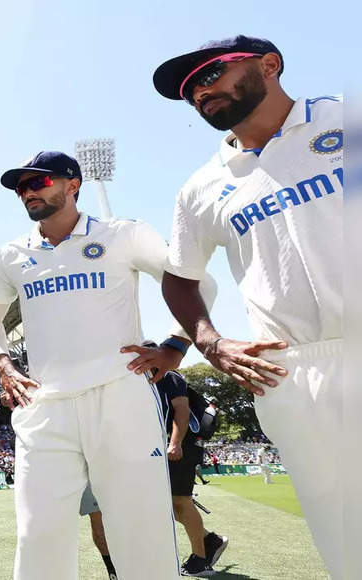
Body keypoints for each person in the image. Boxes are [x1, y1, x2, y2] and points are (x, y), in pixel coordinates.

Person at [154, 35, 345, 579]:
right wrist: (211, 344)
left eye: (211, 73)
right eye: (190, 90)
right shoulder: (201, 187)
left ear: (269, 65)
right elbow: (179, 282)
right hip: (292, 373)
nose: (199, 91)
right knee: (345, 543)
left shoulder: (346, 117)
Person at [0, 150, 216, 579]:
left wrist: (176, 347)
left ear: (73, 185)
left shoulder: (122, 235)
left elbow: (197, 282)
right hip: (44, 405)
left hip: (119, 396)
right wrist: (2, 363)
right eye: (21, 187)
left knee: (140, 530)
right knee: (38, 534)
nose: (28, 191)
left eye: (39, 182)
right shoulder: (11, 254)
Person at [144, 343, 228, 577]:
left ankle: (201, 561)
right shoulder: (142, 381)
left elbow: (181, 410)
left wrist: (175, 442)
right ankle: (210, 540)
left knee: (180, 501)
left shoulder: (170, 377)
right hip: (167, 446)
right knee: (174, 506)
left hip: (183, 443)